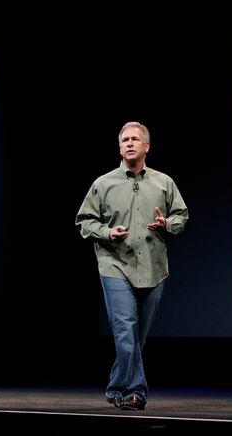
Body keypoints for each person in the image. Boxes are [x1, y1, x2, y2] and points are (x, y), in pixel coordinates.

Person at [75, 121, 188, 410]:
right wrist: (106, 232)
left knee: (137, 337)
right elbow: (84, 221)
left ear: (146, 146)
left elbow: (181, 217)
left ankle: (116, 385)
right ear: (119, 147)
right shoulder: (103, 184)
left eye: (135, 139)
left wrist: (166, 223)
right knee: (125, 330)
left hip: (153, 266)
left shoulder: (164, 183)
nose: (129, 143)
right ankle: (136, 392)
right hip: (115, 265)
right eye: (124, 139)